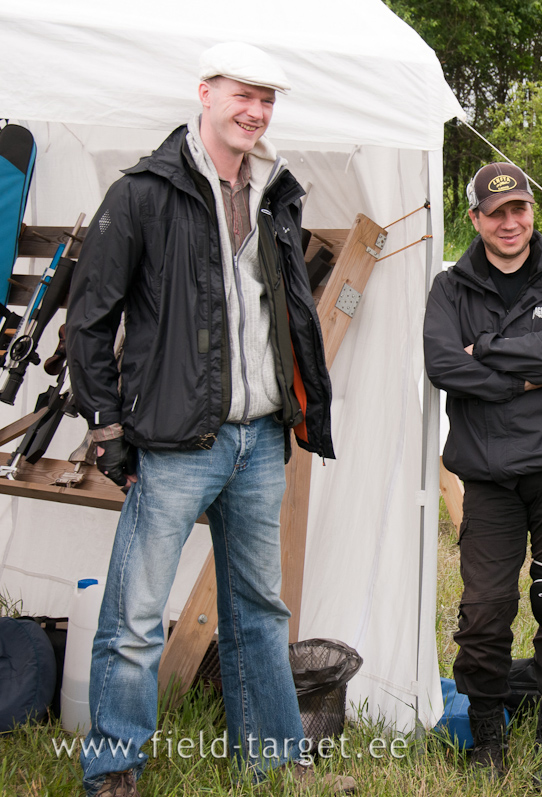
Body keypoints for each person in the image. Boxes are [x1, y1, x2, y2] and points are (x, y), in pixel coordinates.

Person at [66, 42, 350, 797]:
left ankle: (272, 763)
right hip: (174, 445)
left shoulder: (276, 191)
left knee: (259, 610)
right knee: (135, 615)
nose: (255, 111)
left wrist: (300, 409)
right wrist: (105, 427)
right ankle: (113, 769)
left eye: (267, 99)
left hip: (259, 441)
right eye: (242, 95)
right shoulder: (144, 192)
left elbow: (284, 314)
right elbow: (87, 321)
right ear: (205, 93)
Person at [423, 162, 542, 784]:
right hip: (489, 477)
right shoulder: (449, 290)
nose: (509, 222)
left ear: (532, 213)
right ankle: (488, 734)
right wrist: (529, 375)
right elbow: (444, 365)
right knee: (484, 610)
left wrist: (491, 354)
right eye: (495, 213)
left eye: (519, 210)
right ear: (474, 219)